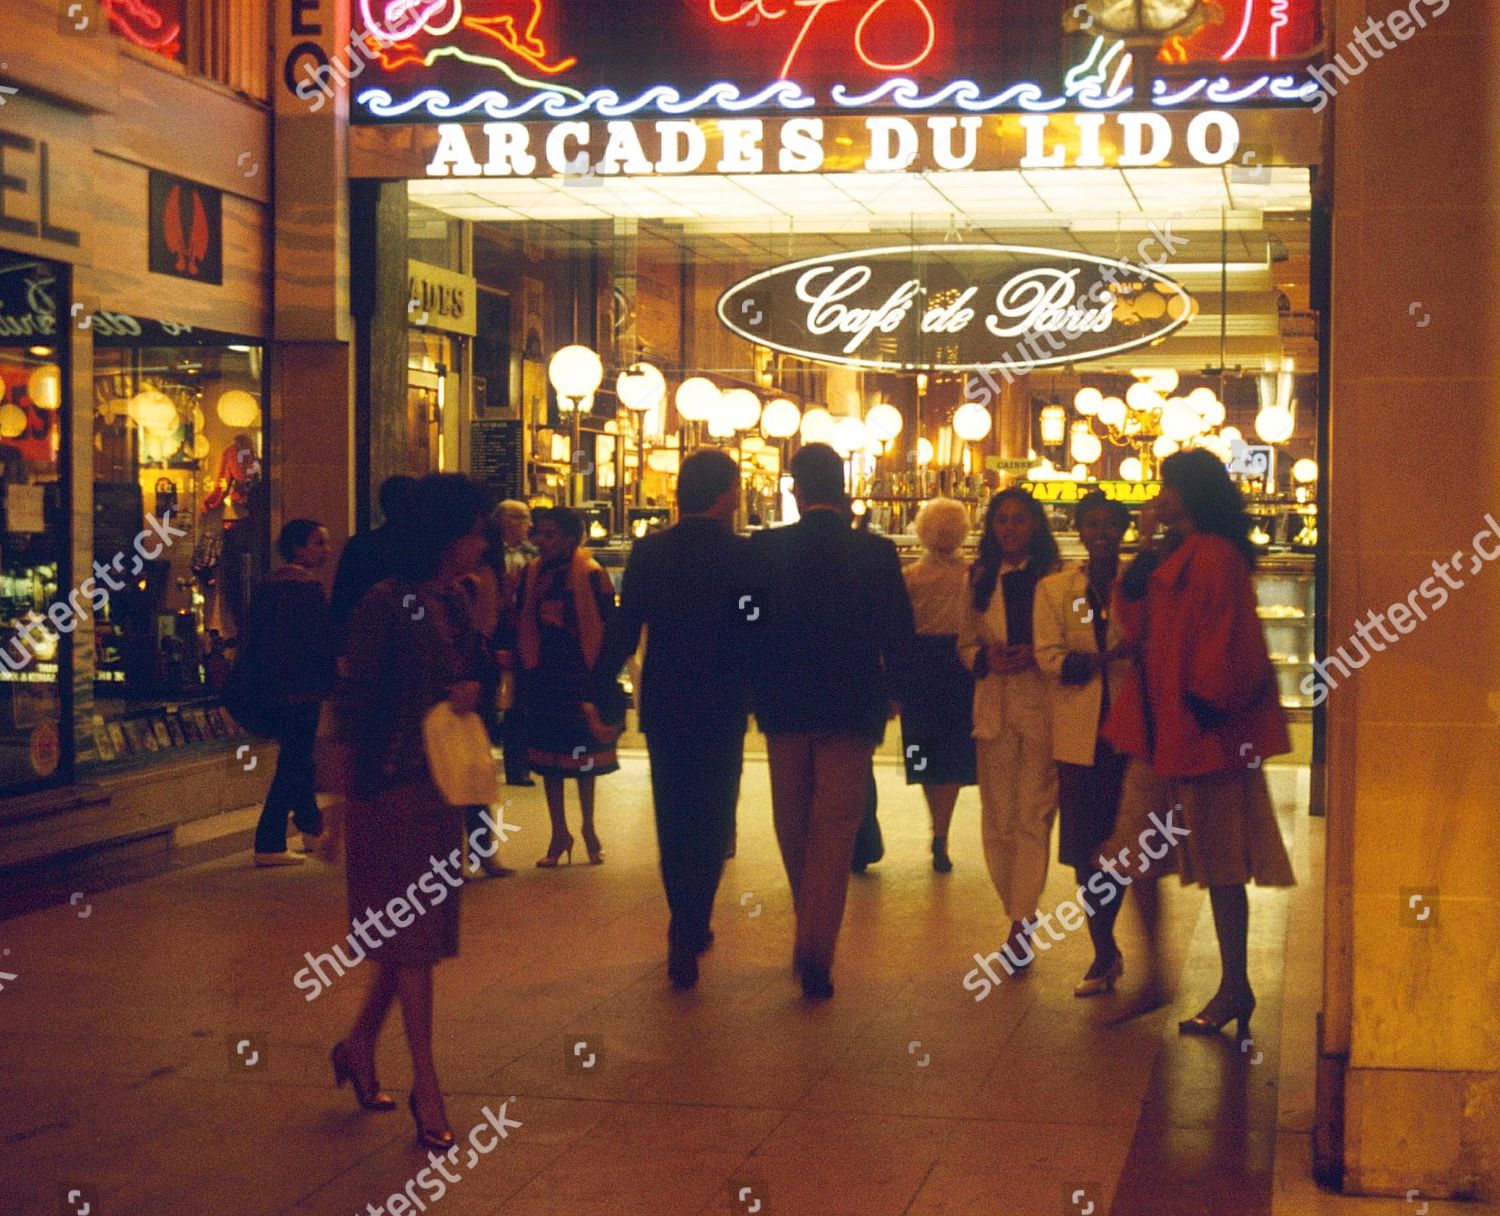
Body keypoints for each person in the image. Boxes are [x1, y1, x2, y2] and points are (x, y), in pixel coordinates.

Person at [1100, 449, 1295, 1038]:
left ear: (1192, 492)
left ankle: (1231, 984)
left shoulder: (1213, 556)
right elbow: (1136, 625)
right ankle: (1166, 976)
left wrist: (1205, 707)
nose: (1159, 496)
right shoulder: (1181, 553)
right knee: (1142, 852)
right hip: (1167, 730)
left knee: (1219, 863)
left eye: (1168, 486)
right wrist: (1145, 550)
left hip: (1201, 733)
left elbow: (1222, 641)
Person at [327, 473, 493, 1151]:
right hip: (386, 787)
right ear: (448, 536)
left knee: (411, 940)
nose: (484, 541)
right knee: (413, 943)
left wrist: (472, 687)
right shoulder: (384, 603)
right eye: (476, 529)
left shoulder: (454, 602)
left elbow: (482, 677)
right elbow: (348, 700)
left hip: (438, 789)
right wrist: (335, 805)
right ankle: (428, 1084)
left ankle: (359, 1044)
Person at [747, 443, 916, 1000]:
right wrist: (897, 692)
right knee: (835, 829)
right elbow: (898, 631)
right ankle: (817, 946)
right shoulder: (875, 553)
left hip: (783, 703)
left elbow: (743, 619)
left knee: (792, 822)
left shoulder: (765, 549)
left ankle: (809, 925)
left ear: (794, 489)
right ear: (843, 491)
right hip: (849, 705)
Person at [592, 450, 750, 989]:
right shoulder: (742, 556)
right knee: (713, 813)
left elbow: (625, 625)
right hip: (723, 698)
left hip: (667, 698)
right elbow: (756, 626)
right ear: (725, 493)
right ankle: (694, 921)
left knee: (674, 813)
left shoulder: (650, 553)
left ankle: (682, 923)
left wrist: (601, 691)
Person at [1034, 491, 1134, 995]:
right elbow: (1049, 657)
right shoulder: (1055, 589)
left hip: (1132, 732)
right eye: (1091, 524)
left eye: (1110, 525)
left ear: (1123, 530)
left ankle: (1112, 945)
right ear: (1078, 530)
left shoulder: (1138, 585)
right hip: (1078, 734)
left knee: (1125, 843)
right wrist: (1100, 660)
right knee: (1084, 846)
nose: (1101, 533)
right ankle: (1102, 947)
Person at [959, 488, 1061, 971]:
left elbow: (1069, 639)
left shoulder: (1056, 579)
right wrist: (985, 656)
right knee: (997, 816)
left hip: (1041, 706)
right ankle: (1014, 908)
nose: (1010, 529)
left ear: (1036, 526)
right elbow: (964, 641)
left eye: (1020, 520)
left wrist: (1036, 658)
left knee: (1032, 815)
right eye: (1002, 520)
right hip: (994, 706)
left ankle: (1022, 921)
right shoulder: (979, 578)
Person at [517, 506, 619, 867]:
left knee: (583, 757)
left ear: (570, 538)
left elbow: (609, 624)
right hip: (545, 672)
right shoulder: (530, 574)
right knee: (549, 758)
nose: (542, 542)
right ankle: (559, 831)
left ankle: (589, 827)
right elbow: (520, 619)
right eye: (539, 534)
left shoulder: (591, 574)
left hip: (581, 671)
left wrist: (604, 676)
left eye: (550, 535)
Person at [249, 519, 335, 866]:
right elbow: (319, 640)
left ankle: (311, 827)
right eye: (319, 543)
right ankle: (269, 841)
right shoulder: (307, 588)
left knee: (296, 758)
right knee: (294, 761)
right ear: (299, 548)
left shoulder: (266, 585)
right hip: (302, 687)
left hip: (272, 685)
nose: (326, 550)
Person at [899, 497, 976, 874]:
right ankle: (942, 830)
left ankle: (935, 824)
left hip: (919, 667)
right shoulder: (971, 575)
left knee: (924, 749)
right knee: (956, 751)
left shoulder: (910, 576)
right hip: (960, 665)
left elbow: (898, 628)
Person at [328, 474, 416, 646]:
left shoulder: (360, 544)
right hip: (406, 640)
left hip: (365, 636)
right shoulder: (419, 547)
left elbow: (343, 599)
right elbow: (412, 596)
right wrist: (418, 621)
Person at [490, 499, 536, 786]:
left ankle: (518, 766)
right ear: (504, 520)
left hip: (521, 632)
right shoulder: (487, 553)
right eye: (522, 518)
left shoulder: (532, 554)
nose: (528, 525)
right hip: (492, 631)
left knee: (520, 701)